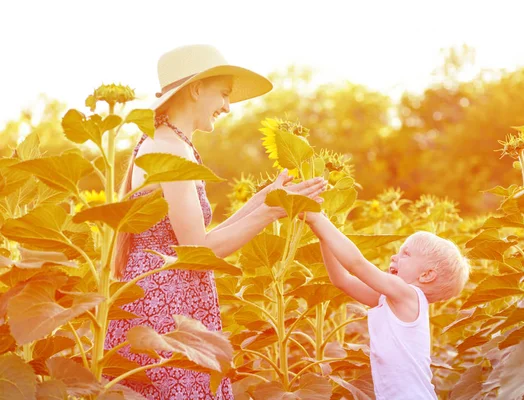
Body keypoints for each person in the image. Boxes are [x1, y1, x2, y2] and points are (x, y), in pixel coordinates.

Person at [105, 44, 326, 399]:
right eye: (223, 94)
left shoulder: (171, 143)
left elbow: (195, 239)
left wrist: (263, 201)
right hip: (164, 306)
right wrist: (273, 212)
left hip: (169, 297)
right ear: (195, 89)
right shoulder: (168, 149)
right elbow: (198, 250)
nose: (227, 106)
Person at [303, 212, 470, 399]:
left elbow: (356, 264)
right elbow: (342, 280)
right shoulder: (389, 300)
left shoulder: (409, 295)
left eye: (405, 254)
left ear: (426, 275)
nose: (394, 257)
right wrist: (323, 235)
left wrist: (319, 220)